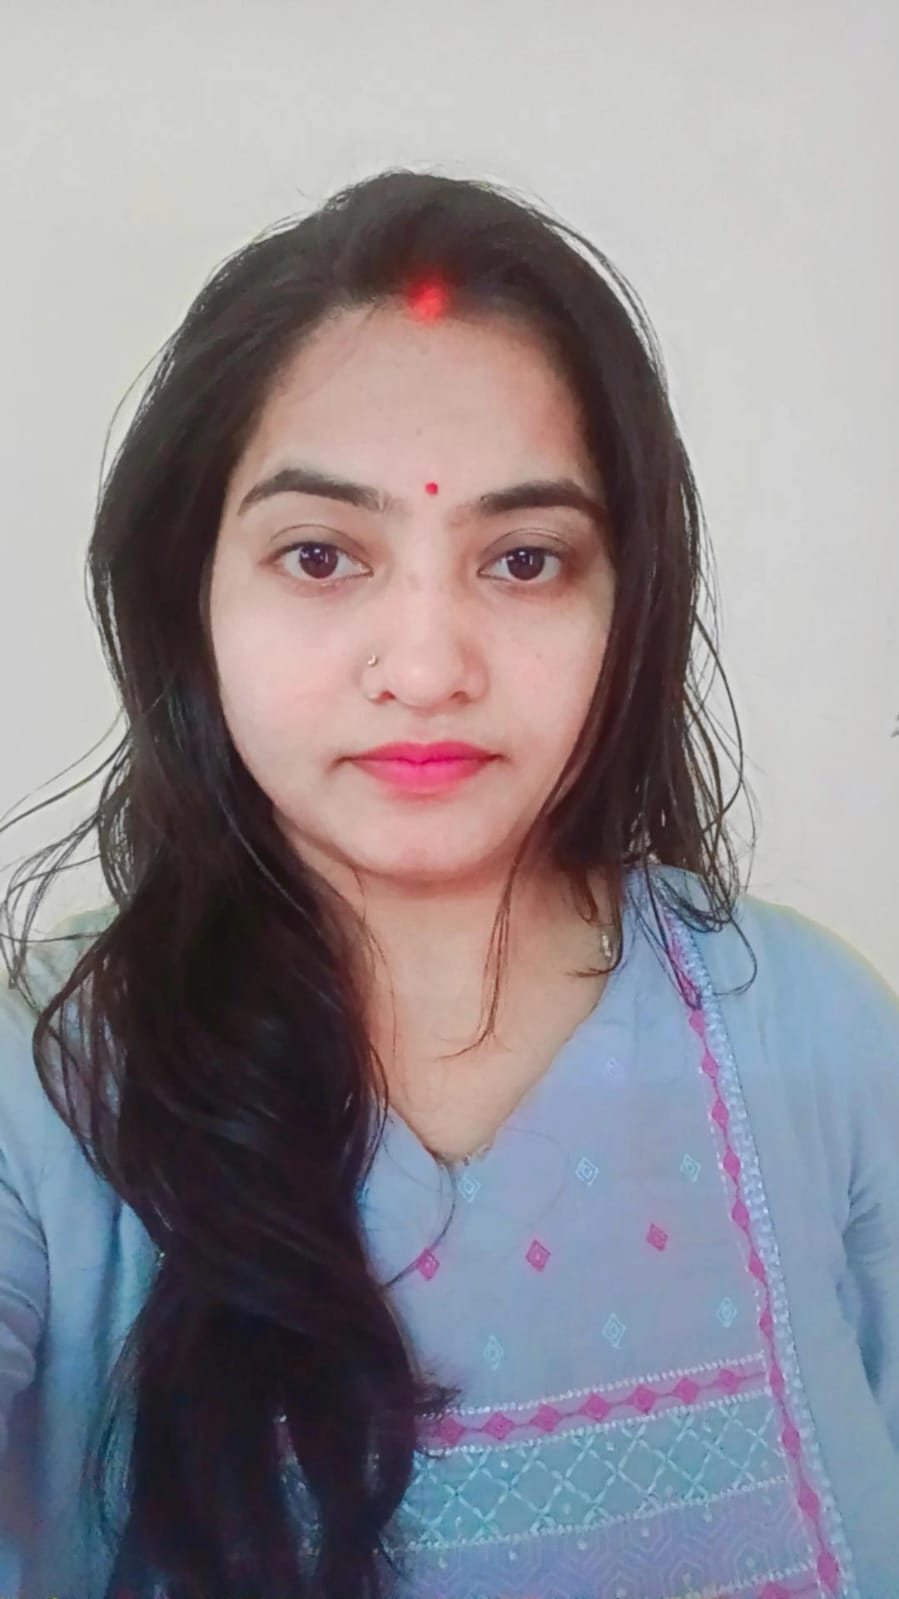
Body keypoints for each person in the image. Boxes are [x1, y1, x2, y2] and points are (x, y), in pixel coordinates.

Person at [0, 168, 897, 1599]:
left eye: (525, 560)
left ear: (630, 604)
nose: (425, 669)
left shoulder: (818, 1033)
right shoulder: (43, 1088)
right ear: (190, 598)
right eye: (319, 556)